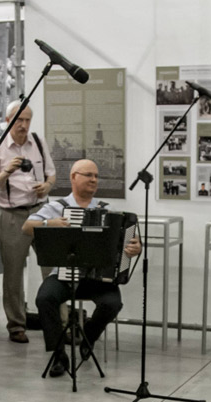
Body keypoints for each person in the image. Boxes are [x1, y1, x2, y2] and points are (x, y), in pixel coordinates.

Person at [24, 159, 142, 378]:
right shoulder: (55, 208)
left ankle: (88, 337)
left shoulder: (108, 210)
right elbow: (27, 226)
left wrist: (135, 247)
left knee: (112, 303)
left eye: (96, 176)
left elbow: (128, 240)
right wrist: (50, 224)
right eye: (88, 175)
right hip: (63, 275)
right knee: (44, 299)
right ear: (73, 177)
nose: (94, 180)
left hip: (98, 279)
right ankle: (59, 355)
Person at [0, 101, 57, 343]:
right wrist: (7, 171)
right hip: (11, 215)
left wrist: (46, 186)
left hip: (41, 211)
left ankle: (57, 320)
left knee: (53, 267)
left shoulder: (37, 142)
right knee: (14, 273)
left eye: (27, 120)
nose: (24, 125)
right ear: (8, 120)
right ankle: (16, 325)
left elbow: (51, 173)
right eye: (19, 120)